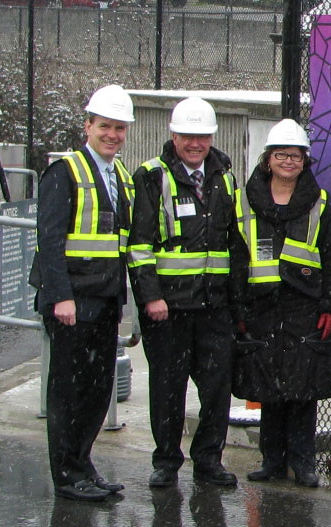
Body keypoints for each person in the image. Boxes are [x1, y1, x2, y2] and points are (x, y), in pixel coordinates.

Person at [128, 96, 246, 488]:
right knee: (167, 387)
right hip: (169, 307)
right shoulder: (151, 176)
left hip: (214, 306)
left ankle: (209, 461)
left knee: (216, 389)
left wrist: (234, 300)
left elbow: (234, 242)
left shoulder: (224, 177)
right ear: (173, 136)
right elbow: (140, 245)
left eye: (202, 136)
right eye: (188, 136)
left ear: (211, 137)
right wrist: (151, 297)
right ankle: (166, 462)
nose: (196, 143)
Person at [32, 84, 135, 502]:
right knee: (68, 391)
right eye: (105, 127)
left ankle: (83, 464)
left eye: (119, 128)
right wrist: (61, 297)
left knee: (96, 390)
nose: (112, 135)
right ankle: (66, 473)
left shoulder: (121, 176)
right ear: (88, 126)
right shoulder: (65, 172)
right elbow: (50, 238)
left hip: (105, 298)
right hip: (72, 301)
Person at [232, 119, 331, 488]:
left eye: (294, 156)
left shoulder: (318, 203)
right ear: (268, 159)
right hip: (261, 306)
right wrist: (237, 309)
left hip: (304, 307)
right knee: (269, 387)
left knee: (302, 388)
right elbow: (236, 258)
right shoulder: (246, 201)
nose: (288, 161)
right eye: (281, 154)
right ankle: (272, 461)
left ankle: (303, 461)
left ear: (304, 161)